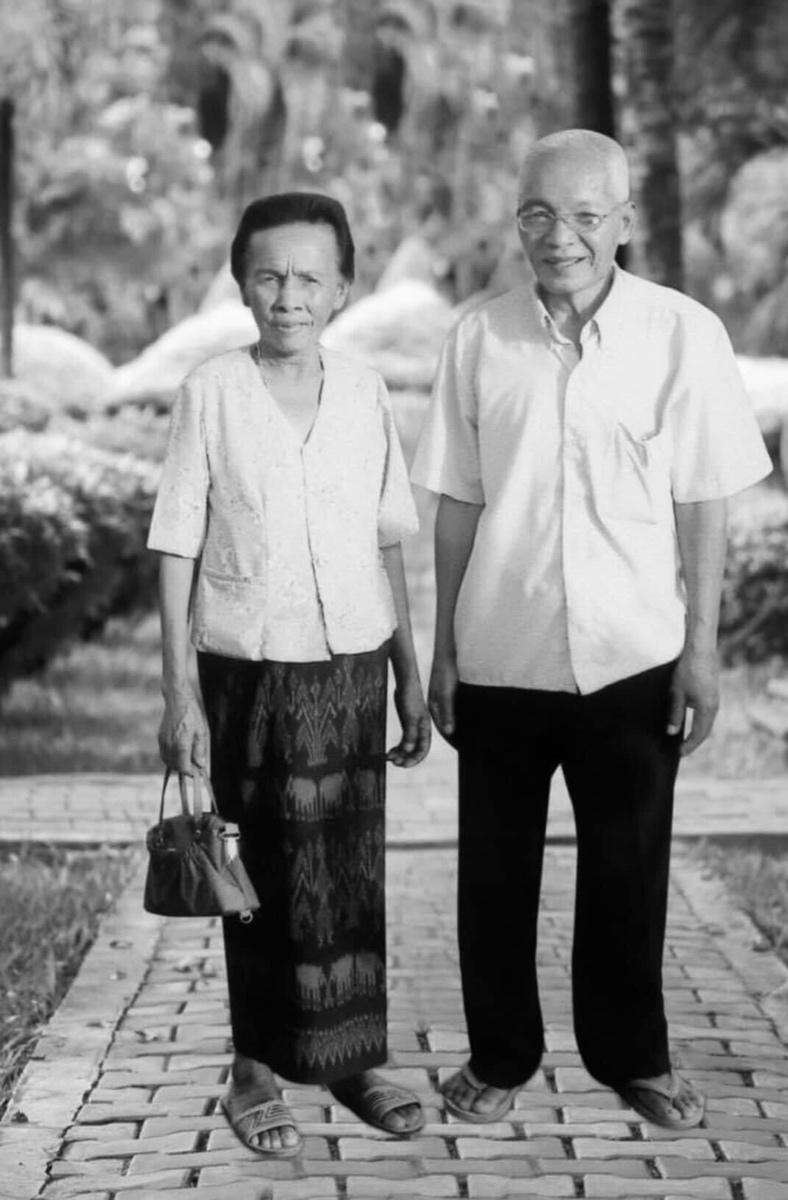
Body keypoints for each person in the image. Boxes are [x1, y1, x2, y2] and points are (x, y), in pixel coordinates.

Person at [411, 130, 772, 1129]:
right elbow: (457, 504)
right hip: (501, 652)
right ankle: (499, 1057)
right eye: (538, 213)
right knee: (493, 877)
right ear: (516, 219)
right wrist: (443, 651)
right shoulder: (478, 340)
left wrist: (702, 648)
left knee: (628, 871)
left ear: (622, 221)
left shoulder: (683, 334)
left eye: (583, 215)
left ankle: (633, 1057)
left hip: (634, 657)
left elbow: (703, 498)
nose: (559, 235)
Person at [148, 192, 431, 1158]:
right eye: (269, 275)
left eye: (311, 277)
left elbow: (388, 538)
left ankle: (351, 1057)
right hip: (248, 666)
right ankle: (256, 1068)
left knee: (348, 868)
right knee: (259, 868)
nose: (289, 295)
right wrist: (179, 692)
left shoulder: (366, 392)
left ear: (344, 288)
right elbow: (176, 545)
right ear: (241, 284)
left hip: (352, 662)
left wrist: (408, 672)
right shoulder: (212, 392)